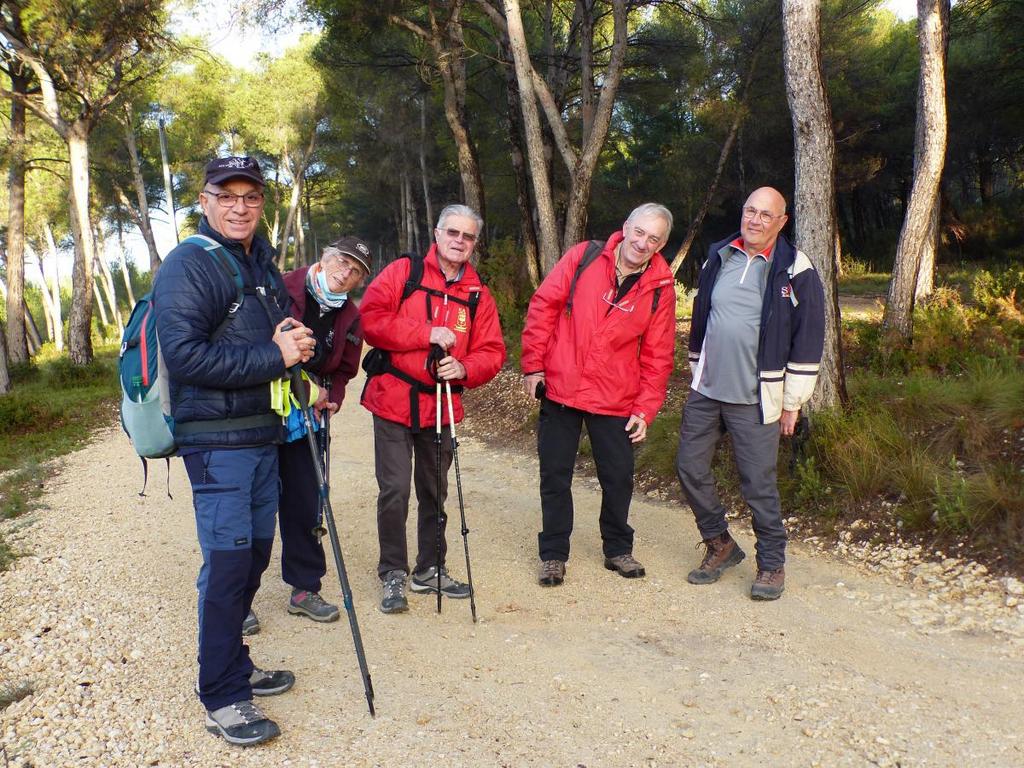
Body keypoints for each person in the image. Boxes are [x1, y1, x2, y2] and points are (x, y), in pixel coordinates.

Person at [154, 156, 316, 746]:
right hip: (215, 444)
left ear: (261, 203)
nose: (239, 206)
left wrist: (296, 341)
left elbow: (271, 335)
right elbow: (185, 357)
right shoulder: (187, 266)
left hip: (262, 436)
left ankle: (235, 661)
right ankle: (223, 693)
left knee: (253, 558)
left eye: (250, 196)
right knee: (227, 567)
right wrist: (277, 356)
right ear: (205, 201)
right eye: (228, 196)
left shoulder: (258, 264)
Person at [675, 186, 825, 601]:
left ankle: (772, 563)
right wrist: (695, 367)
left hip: (757, 397)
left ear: (782, 222)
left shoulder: (795, 267)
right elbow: (703, 316)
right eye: (750, 211)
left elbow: (808, 338)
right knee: (689, 466)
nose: (755, 220)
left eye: (766, 214)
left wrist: (792, 401)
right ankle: (720, 544)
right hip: (707, 389)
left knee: (758, 483)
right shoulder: (719, 255)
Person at [521, 203, 677, 587]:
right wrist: (533, 365)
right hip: (562, 386)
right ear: (626, 227)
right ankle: (554, 554)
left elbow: (659, 354)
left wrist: (646, 407)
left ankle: (617, 549)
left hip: (616, 396)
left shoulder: (660, 287)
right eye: (639, 232)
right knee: (555, 474)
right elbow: (543, 307)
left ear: (661, 245)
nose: (642, 243)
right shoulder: (583, 257)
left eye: (653, 238)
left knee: (619, 476)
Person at [360, 204, 505, 614]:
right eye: (453, 233)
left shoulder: (478, 295)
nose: (460, 241)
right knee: (395, 490)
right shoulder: (403, 272)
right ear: (437, 234)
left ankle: (431, 568)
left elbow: (492, 351)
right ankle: (393, 573)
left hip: (441, 407)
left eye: (468, 236)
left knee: (434, 491)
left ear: (475, 243)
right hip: (391, 400)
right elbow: (371, 320)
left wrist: (464, 367)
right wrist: (426, 333)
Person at [242, 238, 370, 635]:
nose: (345, 273)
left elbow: (346, 367)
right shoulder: (281, 287)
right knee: (250, 507)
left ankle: (304, 589)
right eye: (342, 262)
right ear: (325, 258)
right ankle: (238, 598)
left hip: (309, 417)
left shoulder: (350, 315)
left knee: (307, 502)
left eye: (356, 271)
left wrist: (331, 394)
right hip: (262, 409)